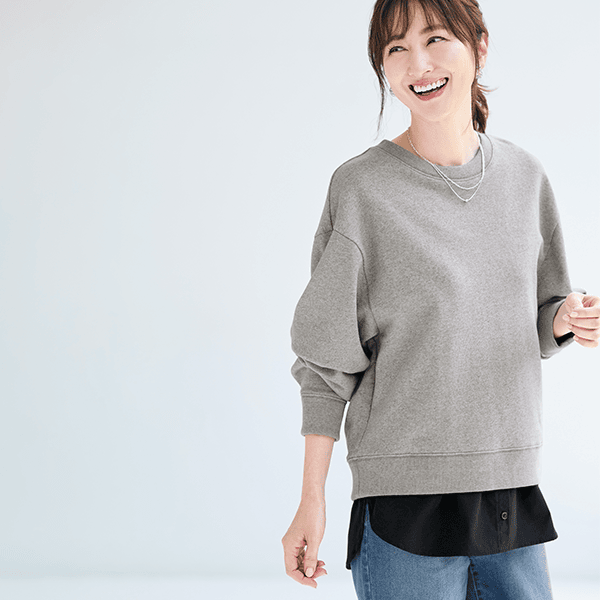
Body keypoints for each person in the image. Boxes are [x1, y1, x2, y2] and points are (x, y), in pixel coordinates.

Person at [281, 0, 600, 597]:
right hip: (404, 506)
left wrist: (566, 316)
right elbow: (326, 364)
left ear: (479, 46)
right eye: (396, 47)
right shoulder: (362, 189)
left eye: (434, 39)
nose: (418, 64)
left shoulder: (525, 177)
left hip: (512, 496)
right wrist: (311, 500)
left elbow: (538, 312)